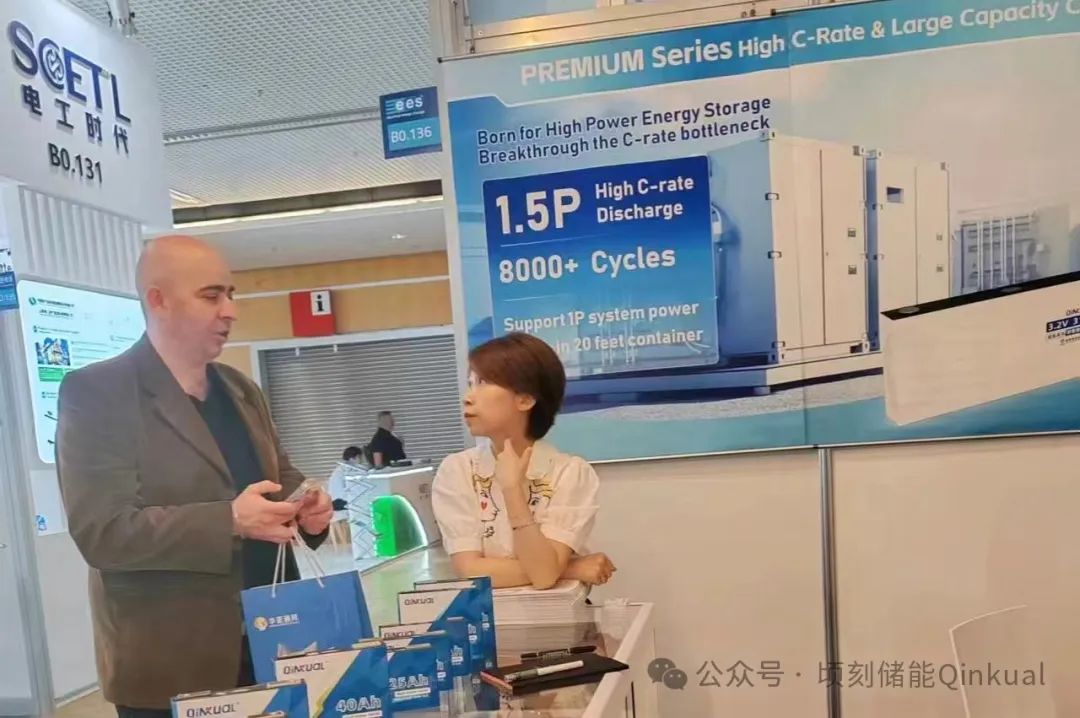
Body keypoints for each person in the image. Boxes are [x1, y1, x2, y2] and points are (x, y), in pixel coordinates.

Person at [56, 235, 334, 718]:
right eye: (211, 296)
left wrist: (308, 507)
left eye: (231, 294)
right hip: (173, 665)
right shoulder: (99, 392)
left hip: (274, 645)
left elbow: (281, 478)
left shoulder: (241, 389)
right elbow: (103, 532)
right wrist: (230, 520)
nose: (231, 311)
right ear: (158, 300)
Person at [431, 332, 616, 590]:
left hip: (557, 613)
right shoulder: (457, 470)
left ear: (526, 399)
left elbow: (544, 578)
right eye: (470, 383)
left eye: (483, 382)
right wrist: (569, 568)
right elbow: (470, 570)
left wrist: (511, 490)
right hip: (489, 614)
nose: (468, 397)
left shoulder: (570, 473)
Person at [327, 445, 364, 511]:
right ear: (352, 458)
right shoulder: (347, 470)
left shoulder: (342, 468)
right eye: (359, 457)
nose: (361, 460)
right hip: (341, 501)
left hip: (337, 500)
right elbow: (355, 487)